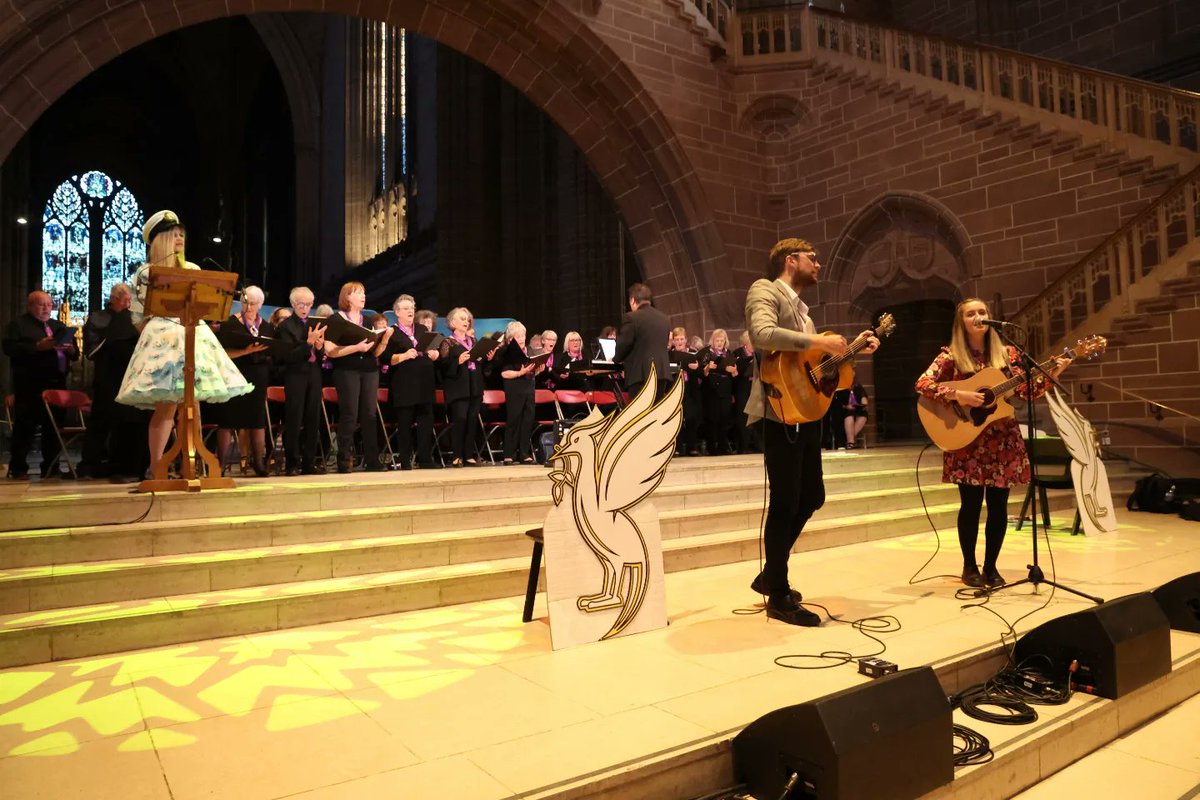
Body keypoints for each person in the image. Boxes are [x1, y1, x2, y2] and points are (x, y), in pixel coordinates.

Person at [745, 238, 879, 626]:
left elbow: (812, 371)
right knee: (786, 502)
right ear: (791, 260)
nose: (819, 264)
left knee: (812, 495)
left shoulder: (804, 313)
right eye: (813, 258)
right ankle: (779, 594)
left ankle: (771, 573)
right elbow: (761, 334)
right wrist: (818, 340)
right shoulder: (765, 289)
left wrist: (851, 351)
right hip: (779, 413)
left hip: (805, 413)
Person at [915, 298, 1069, 589]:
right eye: (971, 313)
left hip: (1002, 440)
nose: (978, 317)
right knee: (971, 506)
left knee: (999, 507)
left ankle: (992, 566)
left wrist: (1055, 371)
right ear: (961, 322)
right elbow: (923, 384)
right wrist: (958, 396)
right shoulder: (950, 356)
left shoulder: (1008, 354)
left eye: (982, 312)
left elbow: (1026, 391)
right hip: (967, 441)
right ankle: (969, 566)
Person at [115, 210, 252, 475]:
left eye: (182, 235)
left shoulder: (193, 269)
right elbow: (136, 314)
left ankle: (192, 461)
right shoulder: (146, 271)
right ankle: (157, 467)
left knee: (193, 404)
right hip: (164, 339)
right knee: (167, 407)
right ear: (161, 239)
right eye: (174, 234)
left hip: (193, 334)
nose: (179, 239)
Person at [3, 290, 78, 479]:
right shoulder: (18, 325)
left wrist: (70, 349)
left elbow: (75, 354)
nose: (46, 308)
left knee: (54, 427)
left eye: (49, 304)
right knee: (25, 426)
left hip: (57, 383)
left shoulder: (57, 326)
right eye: (41, 304)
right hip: (30, 384)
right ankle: (18, 468)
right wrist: (37, 347)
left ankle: (51, 467)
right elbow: (9, 348)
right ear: (30, 306)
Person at [79, 283, 147, 481]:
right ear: (114, 299)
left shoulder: (132, 319)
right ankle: (89, 466)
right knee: (100, 423)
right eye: (126, 301)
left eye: (130, 302)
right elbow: (91, 351)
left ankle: (123, 466)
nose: (128, 305)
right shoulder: (99, 318)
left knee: (126, 423)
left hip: (128, 378)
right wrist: (113, 335)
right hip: (107, 378)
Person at [323, 281, 392, 473]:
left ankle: (372, 460)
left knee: (369, 414)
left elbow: (376, 354)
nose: (363, 296)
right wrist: (356, 348)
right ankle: (344, 459)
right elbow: (330, 351)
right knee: (350, 413)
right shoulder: (336, 319)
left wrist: (384, 340)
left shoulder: (368, 321)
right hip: (347, 370)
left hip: (369, 369)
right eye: (358, 293)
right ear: (347, 297)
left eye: (364, 293)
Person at [212, 286, 274, 476]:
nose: (248, 307)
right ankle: (220, 464)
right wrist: (246, 351)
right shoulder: (230, 324)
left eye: (253, 303)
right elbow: (220, 353)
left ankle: (258, 462)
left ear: (261, 305)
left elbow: (272, 351)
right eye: (245, 302)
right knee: (227, 421)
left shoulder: (267, 327)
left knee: (257, 420)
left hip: (258, 376)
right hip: (234, 376)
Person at [384, 294, 440, 469]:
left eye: (412, 308)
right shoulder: (391, 332)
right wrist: (404, 355)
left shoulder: (422, 329)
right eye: (406, 308)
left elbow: (435, 348)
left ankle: (424, 459)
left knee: (426, 421)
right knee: (405, 422)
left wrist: (435, 354)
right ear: (397, 312)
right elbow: (386, 358)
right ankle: (405, 460)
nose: (410, 311)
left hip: (424, 382)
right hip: (404, 383)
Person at [275, 286, 327, 475]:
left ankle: (309, 462)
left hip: (313, 372)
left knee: (313, 418)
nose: (305, 308)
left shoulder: (315, 323)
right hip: (295, 374)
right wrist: (308, 343)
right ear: (292, 304)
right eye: (301, 304)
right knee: (294, 418)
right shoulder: (285, 326)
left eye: (309, 304)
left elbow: (320, 355)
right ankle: (292, 463)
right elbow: (288, 356)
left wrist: (320, 347)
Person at [442, 307, 491, 467]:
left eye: (467, 319)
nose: (466, 321)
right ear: (452, 322)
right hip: (458, 388)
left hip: (475, 386)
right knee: (460, 420)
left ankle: (468, 455)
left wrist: (488, 358)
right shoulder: (448, 342)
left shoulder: (474, 341)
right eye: (462, 319)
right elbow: (442, 366)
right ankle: (456, 455)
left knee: (472, 421)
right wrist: (458, 362)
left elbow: (482, 366)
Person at [613, 283, 671, 401]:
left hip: (641, 375)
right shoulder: (664, 319)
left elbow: (624, 345)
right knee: (656, 414)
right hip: (662, 373)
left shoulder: (632, 317)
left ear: (633, 300)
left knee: (640, 416)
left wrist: (615, 359)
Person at [498, 320, 543, 464]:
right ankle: (509, 454)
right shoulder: (507, 352)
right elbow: (504, 374)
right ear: (510, 339)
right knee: (514, 420)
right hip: (514, 388)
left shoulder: (529, 351)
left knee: (528, 420)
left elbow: (530, 372)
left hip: (528, 387)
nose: (522, 339)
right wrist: (520, 372)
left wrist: (538, 370)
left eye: (523, 335)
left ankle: (524, 453)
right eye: (518, 337)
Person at [699, 328, 738, 456]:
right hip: (711, 390)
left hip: (725, 390)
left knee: (725, 418)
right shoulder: (706, 353)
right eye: (717, 340)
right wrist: (708, 367)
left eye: (722, 340)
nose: (720, 343)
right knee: (713, 419)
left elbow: (735, 375)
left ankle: (723, 446)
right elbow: (702, 374)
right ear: (713, 341)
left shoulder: (729, 354)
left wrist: (733, 371)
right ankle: (712, 446)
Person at [670, 326, 702, 457]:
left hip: (690, 388)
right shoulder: (669, 354)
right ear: (673, 341)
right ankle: (676, 447)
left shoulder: (693, 352)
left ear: (686, 339)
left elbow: (702, 371)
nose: (679, 342)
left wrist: (697, 367)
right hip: (674, 389)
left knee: (691, 417)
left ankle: (692, 446)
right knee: (675, 419)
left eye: (681, 339)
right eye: (676, 339)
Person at [732, 331, 757, 454]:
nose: (753, 345)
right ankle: (744, 445)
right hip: (742, 389)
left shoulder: (759, 353)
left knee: (757, 417)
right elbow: (734, 374)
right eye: (751, 343)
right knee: (742, 418)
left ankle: (757, 445)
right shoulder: (737, 353)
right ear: (745, 344)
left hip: (755, 389)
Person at [834, 382, 869, 449]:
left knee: (863, 416)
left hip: (857, 409)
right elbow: (837, 403)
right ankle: (851, 442)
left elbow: (864, 399)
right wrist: (846, 406)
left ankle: (848, 440)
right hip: (844, 410)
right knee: (850, 415)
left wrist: (863, 402)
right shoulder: (840, 388)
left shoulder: (858, 387)